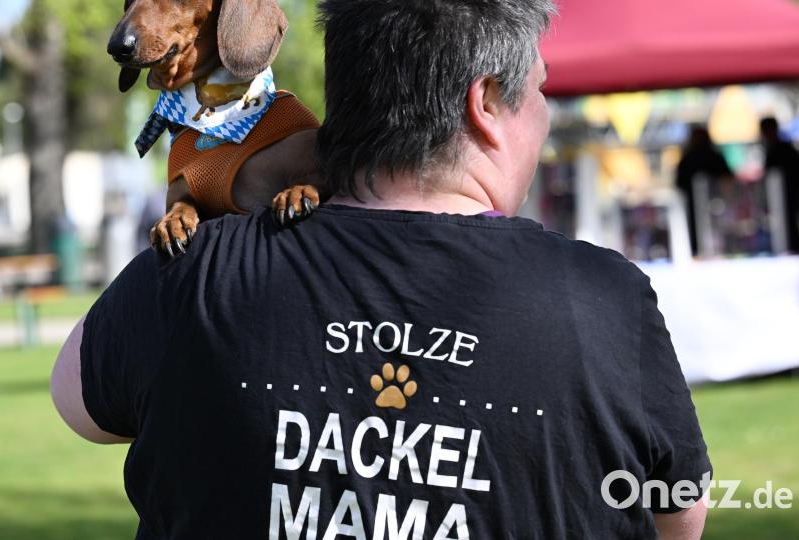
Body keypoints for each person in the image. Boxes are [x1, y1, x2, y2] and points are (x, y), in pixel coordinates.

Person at [51, 1, 711, 538]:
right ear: (484, 104)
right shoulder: (607, 300)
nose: (542, 113)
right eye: (538, 90)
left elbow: (77, 405)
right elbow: (679, 518)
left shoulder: (188, 274)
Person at [675, 125, 734, 256]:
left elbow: (727, 178)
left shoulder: (711, 156)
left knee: (715, 229)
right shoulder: (689, 158)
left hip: (715, 203)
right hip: (696, 205)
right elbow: (680, 183)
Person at [760, 117, 799, 255]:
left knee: (790, 230)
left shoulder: (783, 150)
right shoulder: (775, 150)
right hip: (783, 198)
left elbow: (796, 175)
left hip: (788, 197)